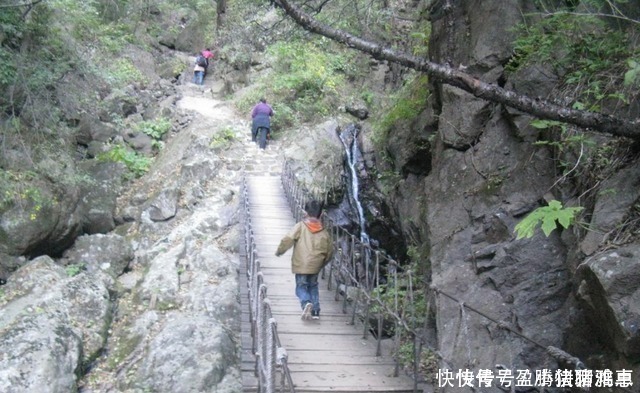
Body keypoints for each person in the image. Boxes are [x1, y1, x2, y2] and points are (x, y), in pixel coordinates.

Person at [275, 200, 334, 320]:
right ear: (321, 214)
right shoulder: (324, 232)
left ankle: (306, 302)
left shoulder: (300, 226)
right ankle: (316, 311)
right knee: (313, 286)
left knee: (301, 286)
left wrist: (280, 251)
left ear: (305, 213)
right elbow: (330, 251)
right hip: (316, 265)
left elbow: (288, 239)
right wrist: (322, 263)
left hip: (301, 264)